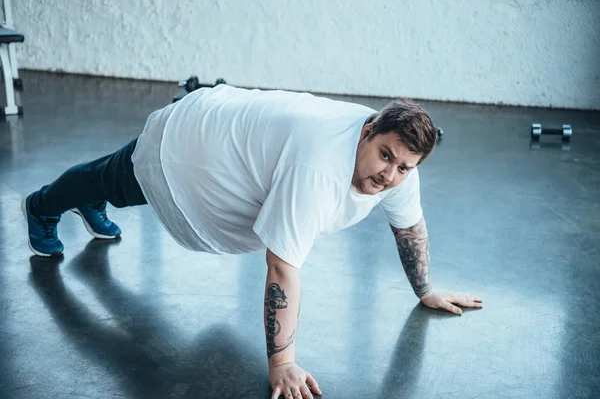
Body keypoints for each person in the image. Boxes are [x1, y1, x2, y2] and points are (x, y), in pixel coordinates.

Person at [22, 84, 483, 399]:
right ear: (367, 132)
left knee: (112, 185)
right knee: (114, 179)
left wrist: (426, 289)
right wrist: (282, 365)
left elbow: (409, 228)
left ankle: (89, 201)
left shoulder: (398, 172)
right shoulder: (317, 167)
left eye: (404, 167)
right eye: (385, 156)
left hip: (235, 140)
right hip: (187, 147)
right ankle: (42, 205)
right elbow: (283, 268)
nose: (389, 175)